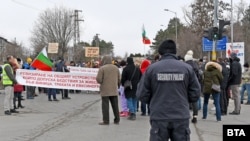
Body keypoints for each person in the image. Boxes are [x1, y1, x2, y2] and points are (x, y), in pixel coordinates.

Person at [137, 39, 200, 141]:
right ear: (175, 52)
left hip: (159, 116)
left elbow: (142, 94)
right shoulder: (187, 69)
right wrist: (183, 100)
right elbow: (195, 93)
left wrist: (155, 101)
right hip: (180, 115)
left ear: (160, 53)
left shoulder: (152, 69)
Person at [96, 55, 120, 125]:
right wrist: (117, 85)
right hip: (114, 89)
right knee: (115, 106)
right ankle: (117, 119)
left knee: (105, 106)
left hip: (105, 90)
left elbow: (99, 79)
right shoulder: (116, 68)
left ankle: (106, 120)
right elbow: (119, 79)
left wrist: (102, 82)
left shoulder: (102, 68)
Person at [184, 50, 201, 123]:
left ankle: (186, 115)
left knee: (185, 101)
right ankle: (195, 116)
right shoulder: (195, 65)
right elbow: (199, 76)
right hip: (195, 84)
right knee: (195, 101)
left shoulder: (185, 66)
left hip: (187, 85)